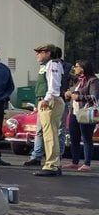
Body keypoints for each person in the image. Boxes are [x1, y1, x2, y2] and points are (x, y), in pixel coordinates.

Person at [32, 44, 65, 177]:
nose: (37, 54)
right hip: (48, 100)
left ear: (49, 53)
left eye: (40, 52)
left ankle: (52, 165)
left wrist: (46, 99)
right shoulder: (50, 65)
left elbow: (53, 85)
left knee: (50, 134)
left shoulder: (52, 64)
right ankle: (54, 164)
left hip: (51, 101)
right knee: (49, 134)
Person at [63, 59, 98, 172]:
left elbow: (94, 97)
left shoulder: (93, 81)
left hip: (86, 113)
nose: (75, 68)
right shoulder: (78, 81)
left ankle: (87, 163)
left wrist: (79, 97)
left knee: (87, 138)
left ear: (83, 68)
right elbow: (74, 91)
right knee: (74, 138)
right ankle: (75, 161)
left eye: (77, 66)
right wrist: (69, 94)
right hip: (74, 112)